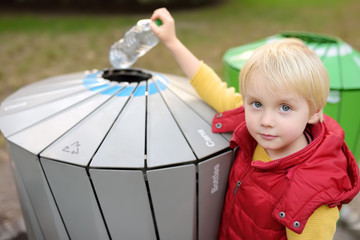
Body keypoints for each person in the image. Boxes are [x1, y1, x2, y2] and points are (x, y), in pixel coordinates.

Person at [150, 8, 360, 240]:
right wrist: (172, 41)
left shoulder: (312, 196)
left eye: (285, 108)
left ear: (313, 112)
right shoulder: (254, 120)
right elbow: (212, 87)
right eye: (257, 104)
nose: (266, 121)